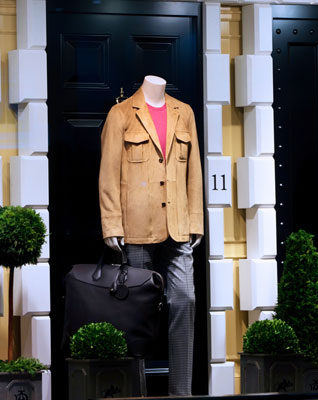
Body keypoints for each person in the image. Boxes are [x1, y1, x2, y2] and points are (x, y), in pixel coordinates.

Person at [98, 75, 203, 395]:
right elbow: (108, 173)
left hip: (177, 224)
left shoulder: (184, 112)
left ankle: (181, 392)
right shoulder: (121, 114)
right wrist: (112, 224)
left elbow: (194, 170)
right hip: (136, 227)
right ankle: (136, 392)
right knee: (137, 311)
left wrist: (196, 220)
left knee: (185, 299)